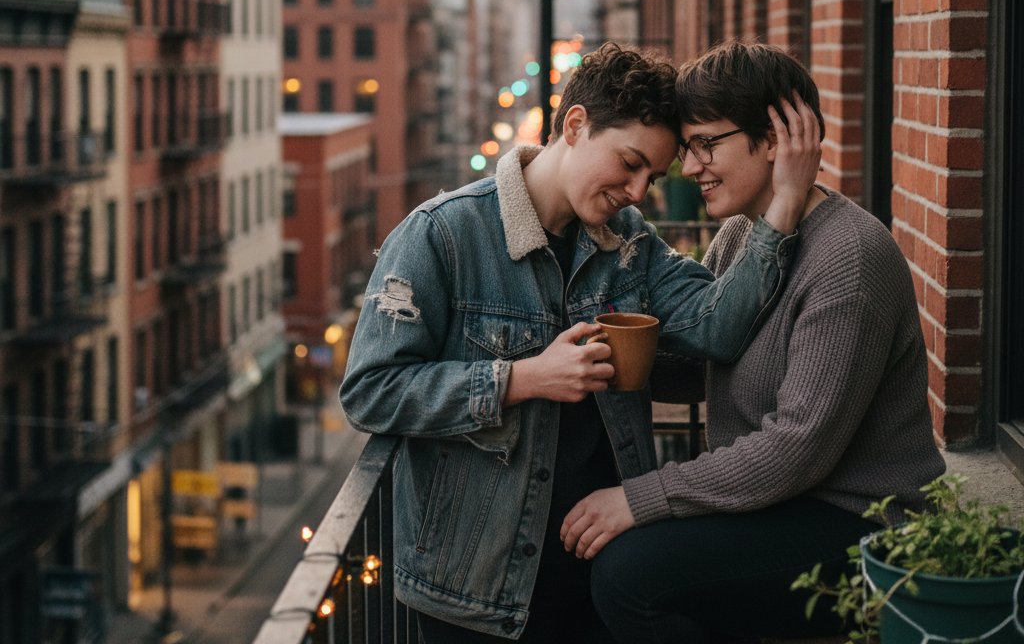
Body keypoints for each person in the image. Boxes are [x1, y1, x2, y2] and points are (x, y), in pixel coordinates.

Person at [339, 42, 822, 643]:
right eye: (629, 163)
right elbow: (370, 391)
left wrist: (784, 203)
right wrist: (523, 378)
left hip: (601, 567)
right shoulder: (443, 235)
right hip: (474, 589)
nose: (639, 191)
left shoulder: (629, 243)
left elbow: (717, 326)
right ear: (575, 125)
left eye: (653, 176)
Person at [561, 40, 946, 643]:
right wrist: (597, 360)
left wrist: (643, 497)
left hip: (860, 525)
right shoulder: (743, 233)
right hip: (782, 505)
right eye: (686, 149)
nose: (689, 169)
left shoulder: (851, 257)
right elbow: (726, 363)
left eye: (706, 144)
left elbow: (797, 446)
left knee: (629, 576)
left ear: (778, 139)